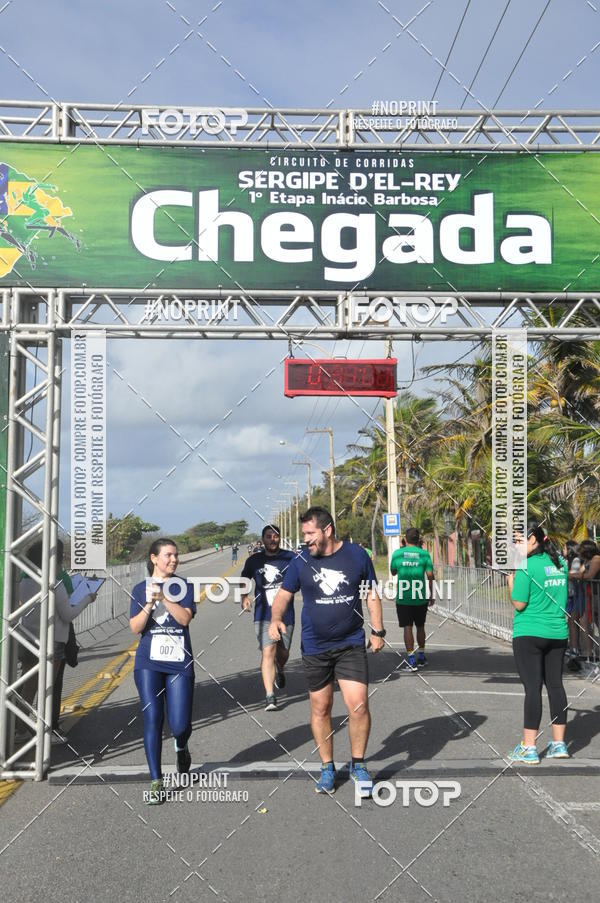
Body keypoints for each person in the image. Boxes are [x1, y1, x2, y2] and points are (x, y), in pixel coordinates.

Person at [270, 506, 384, 795]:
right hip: (315, 647)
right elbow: (284, 595)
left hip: (349, 644)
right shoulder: (300, 561)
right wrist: (275, 620)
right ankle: (327, 768)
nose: (306, 539)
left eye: (310, 533)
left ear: (328, 530)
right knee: (321, 708)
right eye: (304, 533)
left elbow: (371, 592)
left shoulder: (357, 555)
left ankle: (358, 764)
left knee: (358, 705)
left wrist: (378, 630)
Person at [130, 538, 196, 804]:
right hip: (148, 663)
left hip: (179, 662)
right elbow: (135, 628)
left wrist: (164, 597)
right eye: (168, 555)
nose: (174, 559)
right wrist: (148, 603)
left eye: (176, 555)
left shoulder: (184, 586)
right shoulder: (138, 588)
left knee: (179, 724)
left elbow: (184, 619)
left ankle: (181, 745)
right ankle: (156, 780)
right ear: (154, 558)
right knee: (153, 719)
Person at [18, 539, 96, 737]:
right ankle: (46, 732)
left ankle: (19, 728)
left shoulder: (24, 579)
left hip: (28, 638)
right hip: (52, 641)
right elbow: (68, 614)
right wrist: (87, 599)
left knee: (28, 687)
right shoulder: (55, 582)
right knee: (47, 689)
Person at [507, 524, 569, 763]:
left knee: (532, 688)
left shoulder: (526, 566)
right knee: (556, 686)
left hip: (529, 633)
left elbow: (519, 603)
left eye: (519, 540)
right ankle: (559, 744)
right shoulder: (560, 564)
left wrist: (511, 582)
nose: (516, 546)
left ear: (534, 540)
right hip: (557, 633)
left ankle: (529, 747)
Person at [241, 525, 295, 710]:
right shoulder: (254, 560)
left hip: (286, 615)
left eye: (275, 536)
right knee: (268, 652)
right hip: (263, 614)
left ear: (279, 538)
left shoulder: (291, 558)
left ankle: (280, 668)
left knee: (283, 653)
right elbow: (244, 578)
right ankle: (270, 695)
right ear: (262, 539)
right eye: (268, 536)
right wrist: (244, 596)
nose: (272, 539)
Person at [390, 527, 434, 671]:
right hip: (420, 597)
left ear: (405, 540)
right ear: (418, 539)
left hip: (404, 597)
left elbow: (393, 571)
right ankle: (421, 657)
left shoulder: (397, 554)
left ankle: (411, 660)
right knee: (420, 626)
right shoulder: (424, 554)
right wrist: (432, 595)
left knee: (407, 627)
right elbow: (430, 576)